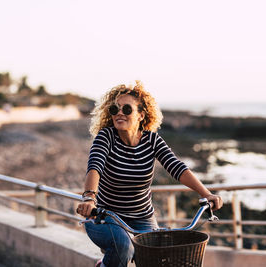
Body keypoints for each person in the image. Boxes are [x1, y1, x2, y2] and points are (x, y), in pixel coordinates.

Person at [76, 81, 223, 267]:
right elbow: (94, 167)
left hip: (143, 218)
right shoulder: (106, 137)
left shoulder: (151, 140)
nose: (120, 113)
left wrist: (206, 194)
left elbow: (176, 166)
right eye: (115, 109)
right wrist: (89, 198)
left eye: (127, 109)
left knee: (157, 259)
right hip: (106, 216)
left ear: (141, 115)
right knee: (123, 246)